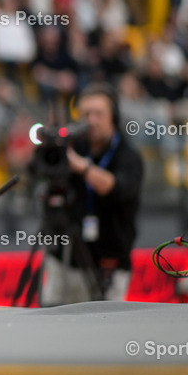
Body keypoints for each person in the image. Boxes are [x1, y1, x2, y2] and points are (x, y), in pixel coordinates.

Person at [41, 82, 144, 306]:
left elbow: (115, 187)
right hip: (65, 258)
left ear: (113, 117)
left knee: (105, 326)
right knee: (51, 319)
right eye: (86, 114)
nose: (92, 120)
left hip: (109, 262)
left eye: (99, 113)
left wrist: (82, 167)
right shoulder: (73, 146)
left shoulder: (129, 156)